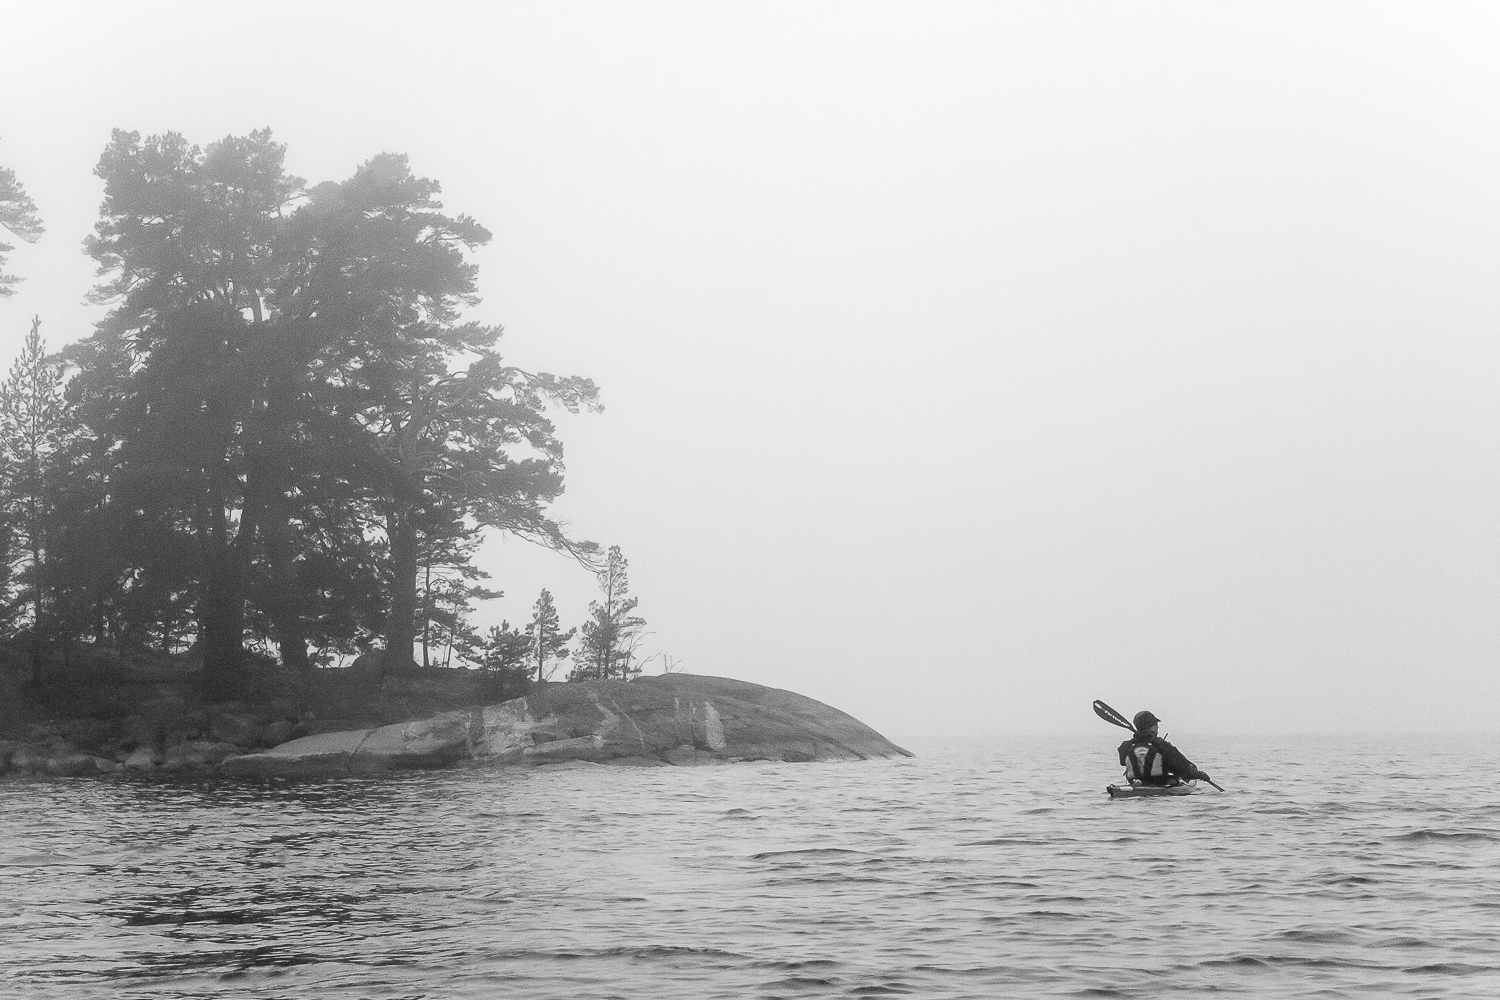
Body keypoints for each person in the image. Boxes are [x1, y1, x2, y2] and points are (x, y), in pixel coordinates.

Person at [1117, 710, 1212, 787]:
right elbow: (1181, 765)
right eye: (1155, 725)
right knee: (1173, 780)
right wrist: (1198, 774)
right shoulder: (1161, 745)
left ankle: (1139, 783)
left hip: (1134, 784)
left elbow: (1122, 762)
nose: (1157, 728)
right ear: (1149, 727)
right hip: (1159, 785)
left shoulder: (1126, 745)